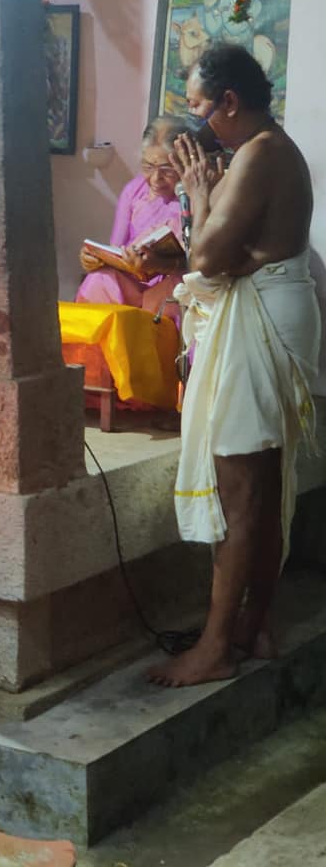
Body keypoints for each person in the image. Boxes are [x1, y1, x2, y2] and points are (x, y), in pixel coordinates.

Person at [147, 44, 320, 687]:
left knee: (241, 490)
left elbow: (207, 259)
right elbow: (230, 254)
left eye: (196, 105)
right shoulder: (270, 151)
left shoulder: (260, 153)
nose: (193, 123)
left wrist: (197, 193)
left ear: (228, 103)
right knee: (265, 483)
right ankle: (261, 626)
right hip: (278, 311)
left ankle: (215, 648)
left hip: (262, 323)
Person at [76, 115, 192, 324]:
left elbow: (202, 266)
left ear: (184, 162)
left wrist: (160, 264)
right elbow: (116, 249)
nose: (155, 179)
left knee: (179, 286)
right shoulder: (134, 191)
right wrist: (94, 259)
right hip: (134, 282)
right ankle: (91, 353)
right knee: (99, 279)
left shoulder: (194, 196)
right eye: (148, 167)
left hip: (171, 288)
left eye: (166, 170)